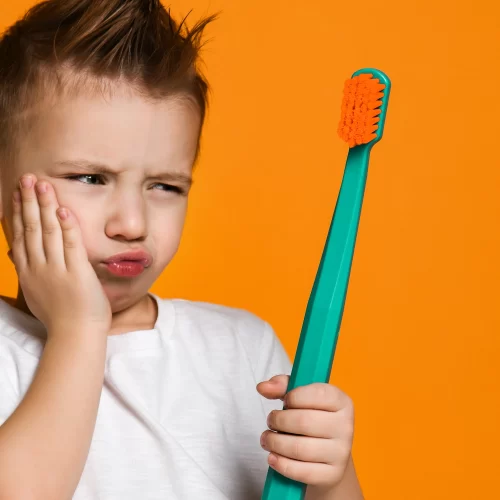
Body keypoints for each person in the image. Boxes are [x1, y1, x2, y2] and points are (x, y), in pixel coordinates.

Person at [0, 1, 363, 498]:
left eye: (165, 186)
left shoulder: (242, 350)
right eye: (90, 177)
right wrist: (80, 330)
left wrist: (329, 477)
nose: (132, 223)